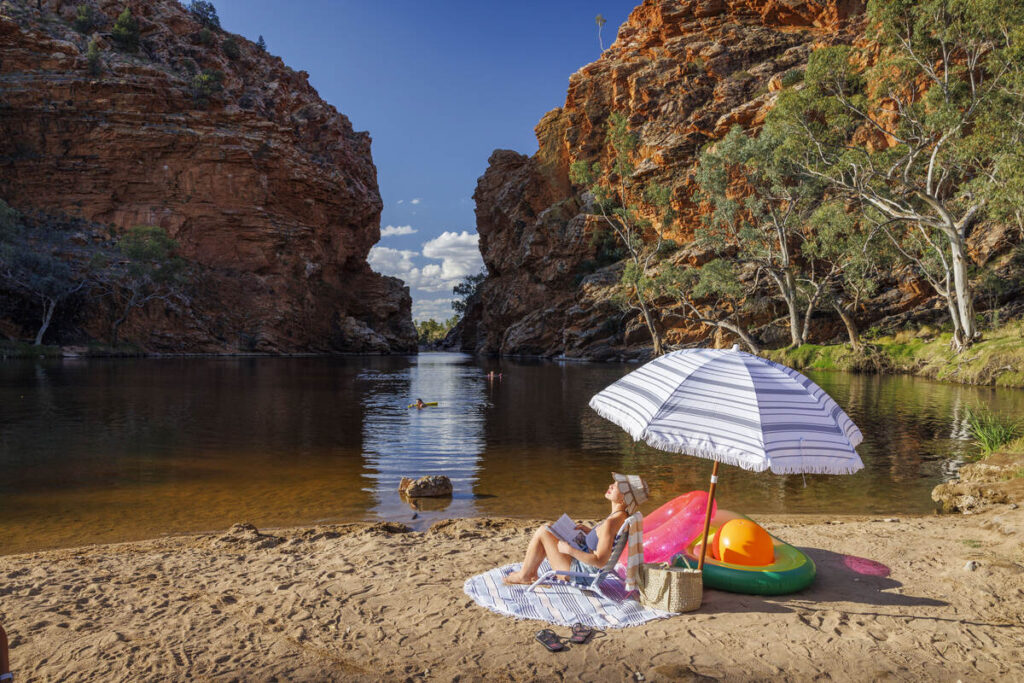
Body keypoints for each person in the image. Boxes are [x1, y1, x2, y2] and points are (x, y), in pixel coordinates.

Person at [503, 472, 649, 586]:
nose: (611, 486)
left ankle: (525, 576)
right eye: (614, 483)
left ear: (624, 499)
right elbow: (605, 541)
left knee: (543, 531)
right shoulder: (620, 516)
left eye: (617, 486)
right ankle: (529, 572)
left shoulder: (612, 522)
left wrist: (569, 550)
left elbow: (600, 561)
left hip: (581, 575)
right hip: (584, 567)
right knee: (549, 528)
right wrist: (590, 532)